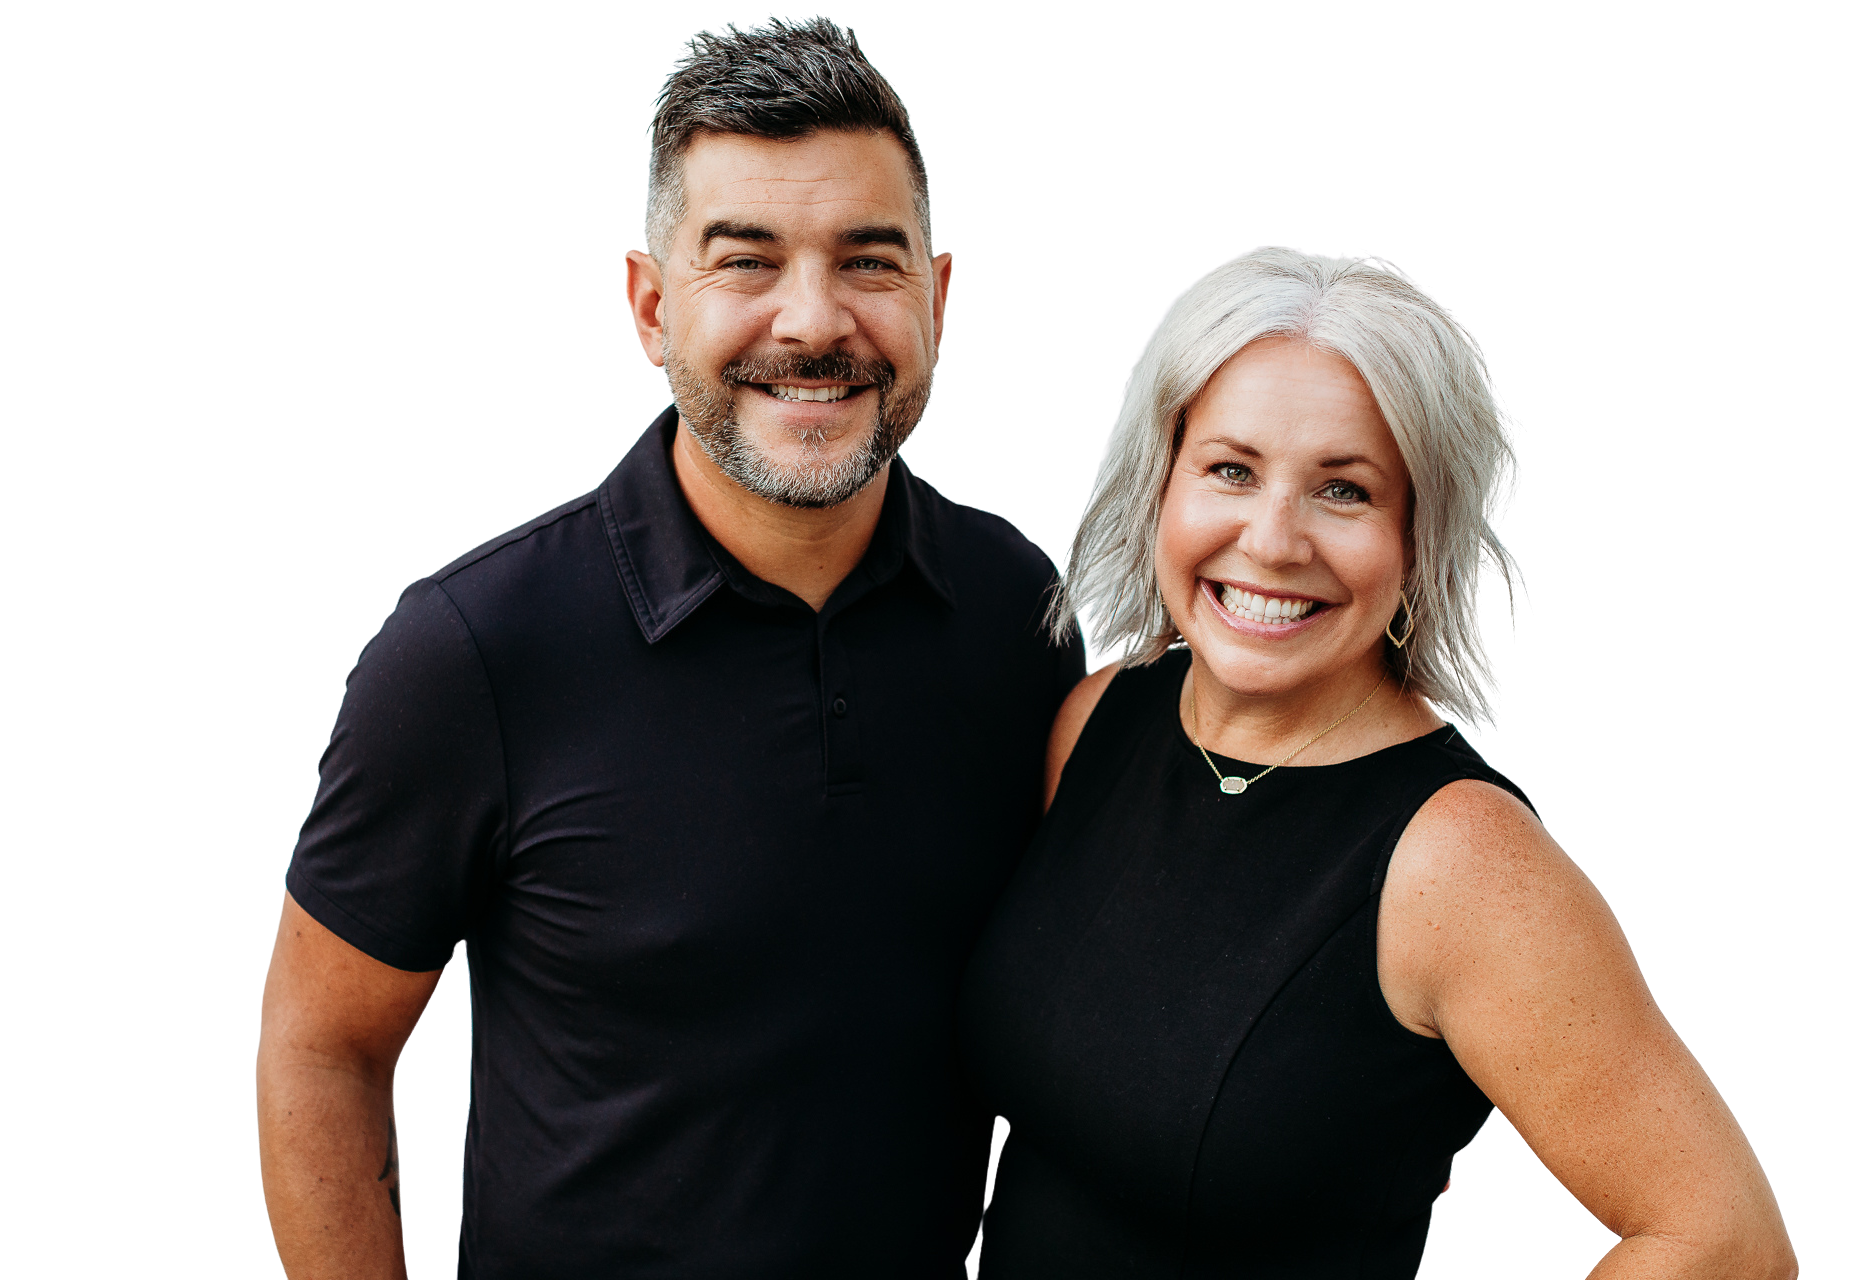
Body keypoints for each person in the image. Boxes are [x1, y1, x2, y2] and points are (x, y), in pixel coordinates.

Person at [256, 19, 1081, 1279]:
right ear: (651, 304)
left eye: (869, 260)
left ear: (938, 295)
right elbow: (324, 1044)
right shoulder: (475, 649)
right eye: (745, 261)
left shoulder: (1015, 611)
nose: (814, 321)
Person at [958, 248, 1795, 1277]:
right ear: (1161, 484)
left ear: (1415, 539)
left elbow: (1725, 1238)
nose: (1271, 538)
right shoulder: (1097, 723)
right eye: (1230, 468)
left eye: (1343, 490)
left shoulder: (1460, 861)